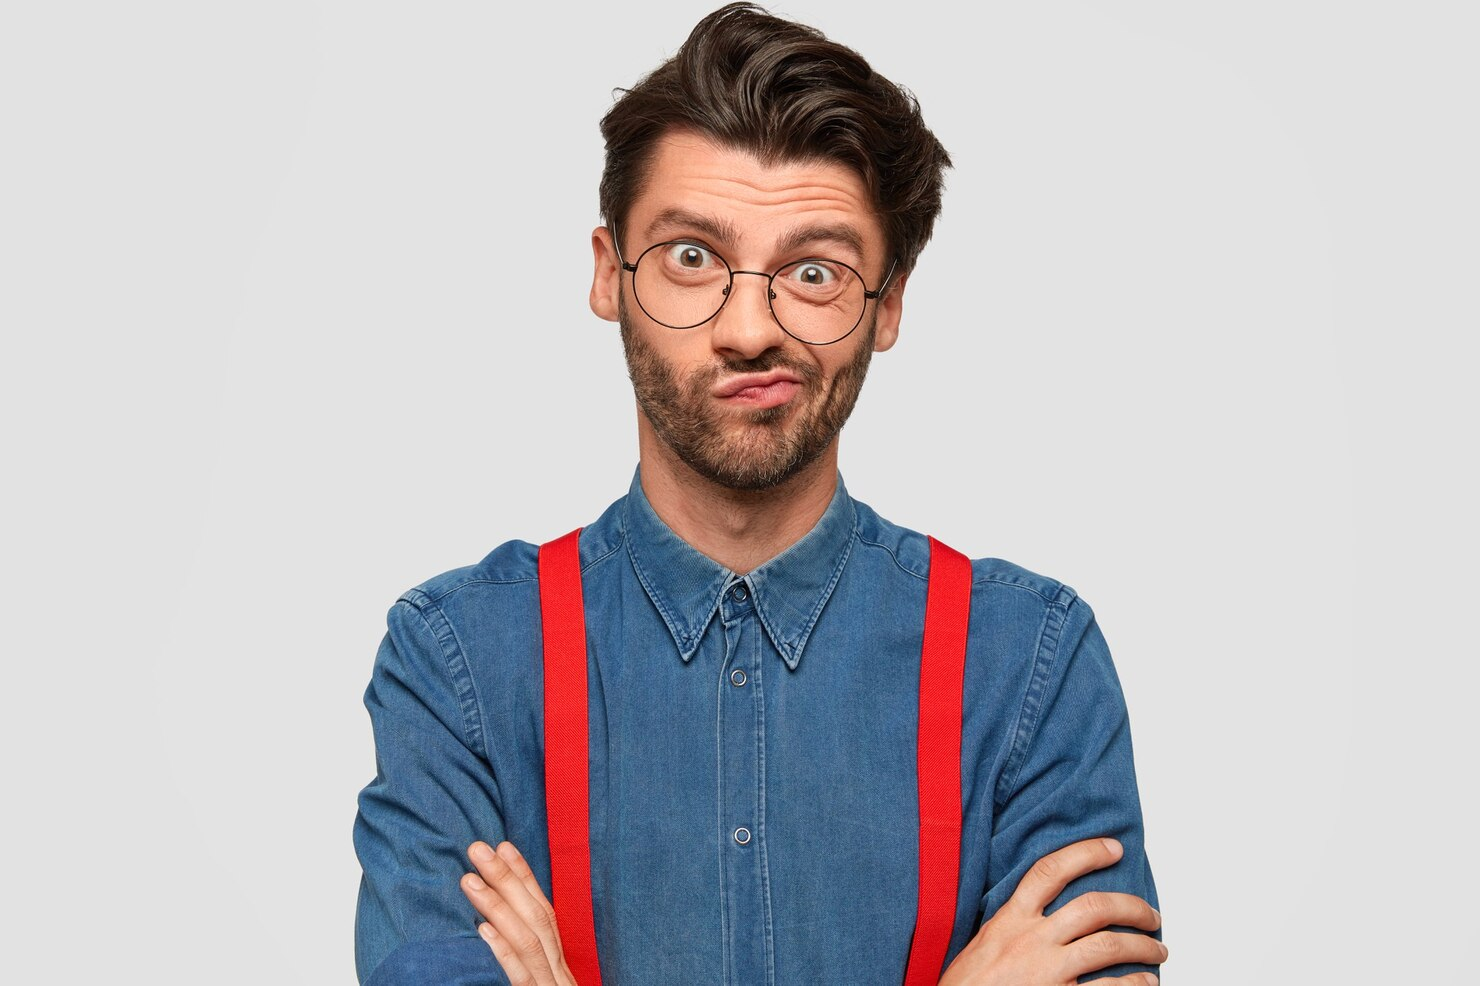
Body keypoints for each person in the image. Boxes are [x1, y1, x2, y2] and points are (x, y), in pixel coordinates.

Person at [352, 4, 1164, 984]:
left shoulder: (1030, 662)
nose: (749, 327)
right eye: (692, 256)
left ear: (888, 302)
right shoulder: (459, 662)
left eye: (812, 270)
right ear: (611, 273)